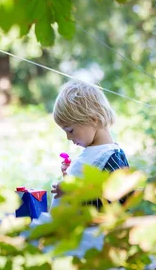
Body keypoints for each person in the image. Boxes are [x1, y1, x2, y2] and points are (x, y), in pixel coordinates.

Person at [51, 80, 129, 209]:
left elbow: (116, 201)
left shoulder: (110, 158)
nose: (68, 137)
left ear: (93, 119)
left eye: (70, 130)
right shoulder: (97, 152)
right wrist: (69, 176)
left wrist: (73, 192)